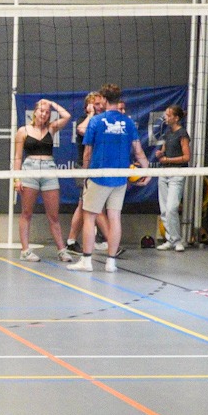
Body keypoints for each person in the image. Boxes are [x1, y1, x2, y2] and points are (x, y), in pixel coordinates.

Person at [69, 84, 147, 274]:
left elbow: (87, 152)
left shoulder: (96, 121)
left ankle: (86, 261)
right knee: (115, 218)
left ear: (103, 99)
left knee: (90, 216)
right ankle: (111, 263)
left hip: (99, 175)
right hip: (120, 178)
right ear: (118, 100)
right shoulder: (128, 122)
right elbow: (138, 151)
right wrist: (148, 172)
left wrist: (86, 174)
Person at [13, 98, 71, 263]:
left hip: (49, 170)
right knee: (26, 212)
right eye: (41, 110)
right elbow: (17, 157)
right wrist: (16, 178)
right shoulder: (23, 131)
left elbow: (67, 116)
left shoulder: (52, 128)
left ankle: (62, 250)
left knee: (53, 215)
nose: (44, 114)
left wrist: (52, 103)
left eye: (47, 112)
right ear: (35, 112)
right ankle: (25, 251)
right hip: (29, 170)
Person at [64, 90, 105, 259]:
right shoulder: (85, 120)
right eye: (95, 104)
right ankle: (106, 239)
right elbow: (82, 130)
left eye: (100, 103)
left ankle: (74, 241)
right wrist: (91, 114)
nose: (99, 106)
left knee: (87, 205)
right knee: (86, 205)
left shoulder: (104, 121)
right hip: (84, 167)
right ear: (88, 106)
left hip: (100, 167)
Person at [152, 105, 191, 252]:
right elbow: (163, 152)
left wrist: (168, 159)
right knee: (164, 210)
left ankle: (177, 240)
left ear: (176, 118)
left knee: (172, 208)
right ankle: (170, 239)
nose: (165, 117)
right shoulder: (167, 134)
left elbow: (187, 157)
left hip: (177, 174)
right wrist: (160, 155)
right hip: (164, 173)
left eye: (168, 115)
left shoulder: (182, 134)